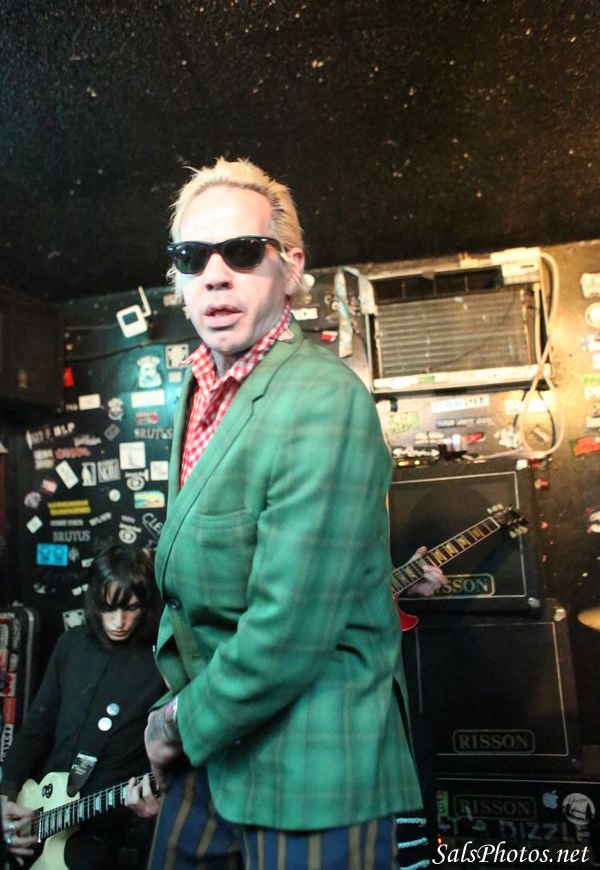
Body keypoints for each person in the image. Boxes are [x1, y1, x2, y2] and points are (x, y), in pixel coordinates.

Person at [143, 156, 432, 870]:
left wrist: (176, 725)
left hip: (315, 771)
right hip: (217, 752)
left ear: (291, 267)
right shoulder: (198, 389)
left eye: (243, 252)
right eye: (192, 257)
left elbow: (289, 629)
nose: (215, 275)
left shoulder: (322, 397)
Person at [0, 544, 165, 870]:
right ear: (94, 600)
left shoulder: (160, 663)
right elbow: (35, 730)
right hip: (38, 809)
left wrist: (155, 814)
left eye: (131, 607)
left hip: (101, 832)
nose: (119, 621)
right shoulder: (71, 645)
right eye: (108, 607)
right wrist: (5, 795)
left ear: (144, 604)